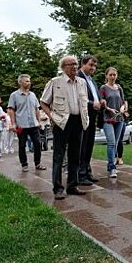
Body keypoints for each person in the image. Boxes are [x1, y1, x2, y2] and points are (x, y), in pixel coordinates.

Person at [40, 55, 89, 200]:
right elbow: (43, 102)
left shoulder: (82, 82)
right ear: (63, 67)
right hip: (62, 121)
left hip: (78, 121)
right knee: (59, 155)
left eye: (75, 64)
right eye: (70, 64)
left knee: (75, 155)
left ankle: (72, 185)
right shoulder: (55, 82)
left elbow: (84, 102)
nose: (74, 67)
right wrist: (52, 117)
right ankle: (58, 188)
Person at [7, 74, 47, 172]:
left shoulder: (32, 95)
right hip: (21, 125)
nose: (29, 83)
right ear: (20, 82)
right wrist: (13, 123)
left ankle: (38, 163)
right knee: (22, 145)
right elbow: (11, 110)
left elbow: (37, 109)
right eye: (26, 81)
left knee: (37, 143)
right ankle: (24, 164)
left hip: (33, 124)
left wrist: (38, 121)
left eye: (29, 81)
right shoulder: (14, 95)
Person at [77, 55, 103, 185]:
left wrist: (100, 101)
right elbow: (79, 97)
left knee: (89, 145)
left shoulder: (92, 81)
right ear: (83, 64)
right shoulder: (78, 78)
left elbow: (96, 96)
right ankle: (80, 175)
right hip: (82, 117)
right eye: (91, 65)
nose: (93, 68)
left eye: (95, 66)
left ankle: (87, 171)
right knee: (82, 146)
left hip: (92, 117)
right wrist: (92, 103)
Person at [100, 67, 126, 178]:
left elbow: (124, 101)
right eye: (110, 75)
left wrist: (123, 108)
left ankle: (110, 164)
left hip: (119, 119)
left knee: (115, 143)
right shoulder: (103, 88)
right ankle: (112, 167)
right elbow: (101, 102)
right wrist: (108, 108)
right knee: (111, 143)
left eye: (114, 75)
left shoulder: (119, 88)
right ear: (106, 76)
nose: (112, 77)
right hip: (108, 119)